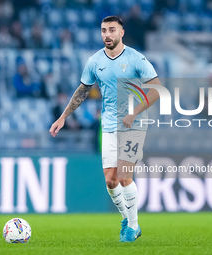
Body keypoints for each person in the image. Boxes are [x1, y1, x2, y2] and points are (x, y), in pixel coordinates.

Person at [49, 16, 161, 242]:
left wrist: (135, 112)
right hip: (109, 125)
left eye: (111, 30)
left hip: (133, 124)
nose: (107, 35)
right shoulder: (94, 61)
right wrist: (63, 117)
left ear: (121, 33)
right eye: (103, 30)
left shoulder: (136, 59)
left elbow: (157, 90)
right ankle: (127, 219)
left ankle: (133, 226)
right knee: (111, 181)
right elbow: (82, 90)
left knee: (124, 176)